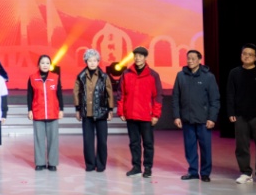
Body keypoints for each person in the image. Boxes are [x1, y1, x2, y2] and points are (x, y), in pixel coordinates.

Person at [227, 43, 256, 186]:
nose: (247, 56)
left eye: (250, 54)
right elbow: (230, 94)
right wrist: (231, 112)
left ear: (255, 57)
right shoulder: (234, 73)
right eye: (244, 54)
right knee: (241, 146)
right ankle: (245, 172)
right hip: (240, 115)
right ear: (241, 55)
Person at [173, 49, 219, 182]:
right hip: (187, 119)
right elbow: (175, 97)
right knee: (190, 147)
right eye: (188, 58)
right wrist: (177, 116)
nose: (190, 61)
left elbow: (215, 99)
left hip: (204, 120)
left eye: (193, 58)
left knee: (205, 148)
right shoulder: (181, 75)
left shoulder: (208, 77)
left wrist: (212, 118)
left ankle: (205, 173)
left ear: (199, 60)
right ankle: (193, 172)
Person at [117, 46, 162, 178]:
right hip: (131, 114)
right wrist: (121, 111)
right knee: (134, 143)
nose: (137, 58)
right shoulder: (126, 74)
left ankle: (147, 168)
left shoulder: (153, 75)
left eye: (140, 56)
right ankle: (136, 167)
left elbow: (158, 96)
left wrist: (156, 114)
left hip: (146, 116)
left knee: (148, 143)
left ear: (145, 58)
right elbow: (121, 94)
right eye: (136, 56)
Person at [74, 49, 114, 173]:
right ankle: (90, 164)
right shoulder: (81, 76)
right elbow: (76, 93)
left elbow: (109, 93)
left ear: (98, 62)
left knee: (102, 141)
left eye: (94, 60)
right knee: (88, 141)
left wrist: (110, 109)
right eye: (89, 60)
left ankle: (101, 165)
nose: (92, 63)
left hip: (101, 112)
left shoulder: (104, 76)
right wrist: (78, 109)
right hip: (86, 113)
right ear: (86, 62)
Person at [27, 55, 64, 170]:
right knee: (39, 139)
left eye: (47, 63)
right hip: (38, 112)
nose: (45, 65)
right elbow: (30, 95)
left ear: (50, 65)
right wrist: (30, 110)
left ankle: (52, 163)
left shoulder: (55, 77)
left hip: (53, 112)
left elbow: (59, 94)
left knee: (53, 139)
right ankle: (40, 163)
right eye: (42, 63)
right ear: (38, 65)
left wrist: (61, 109)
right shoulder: (32, 78)